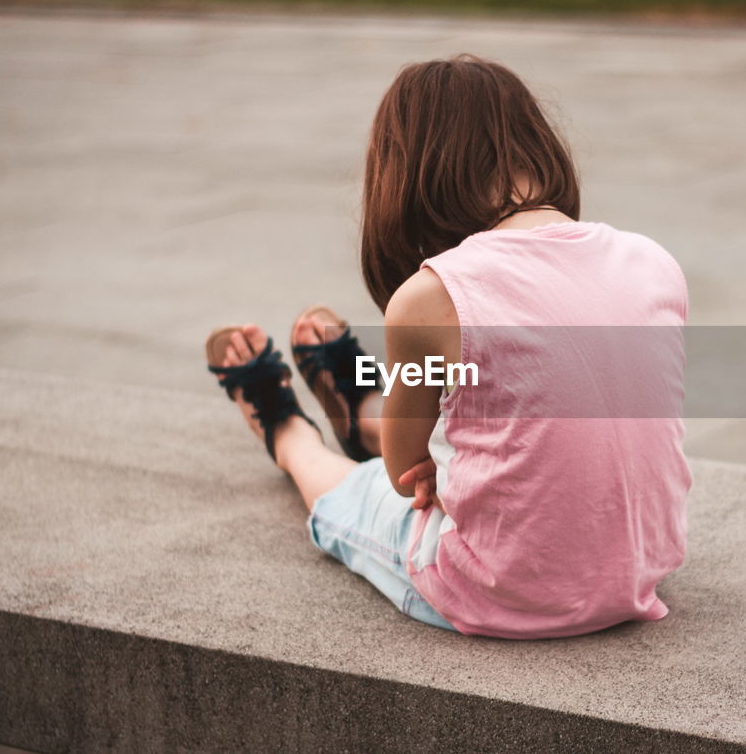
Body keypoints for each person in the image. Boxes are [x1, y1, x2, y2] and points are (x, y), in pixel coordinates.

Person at [204, 54, 690, 639]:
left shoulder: (432, 299)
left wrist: (423, 466)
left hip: (503, 592)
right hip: (638, 571)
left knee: (353, 495)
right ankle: (362, 414)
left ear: (405, 174)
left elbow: (405, 473)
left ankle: (289, 434)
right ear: (539, 144)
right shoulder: (652, 262)